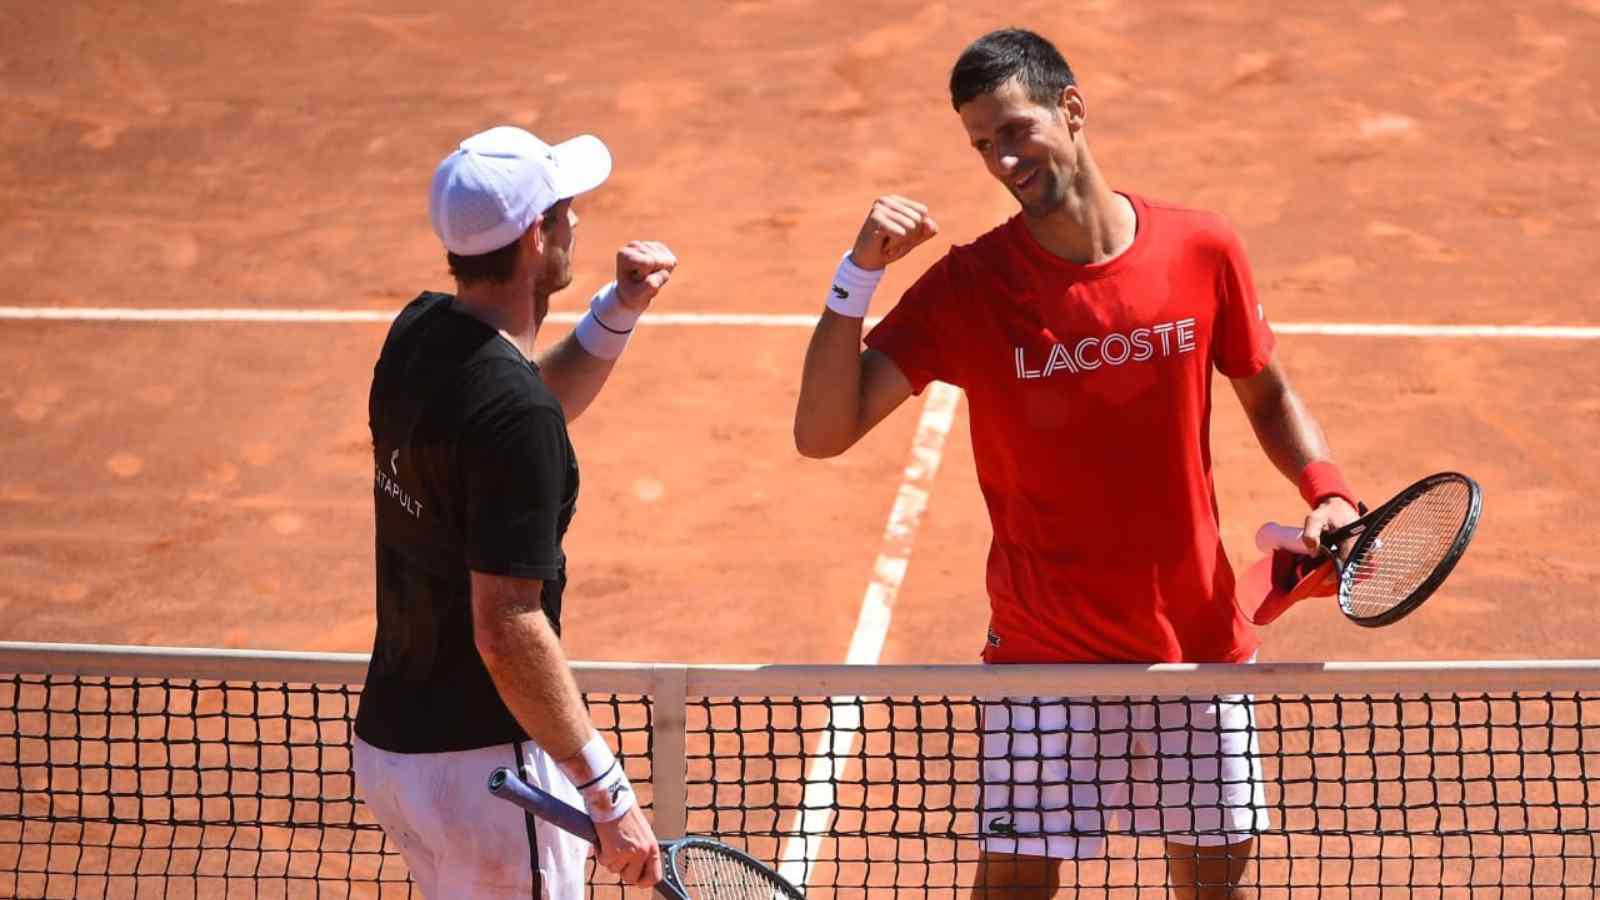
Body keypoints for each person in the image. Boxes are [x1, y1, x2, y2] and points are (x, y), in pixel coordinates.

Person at [793, 29, 1361, 900]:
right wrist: (854, 279)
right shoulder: (969, 288)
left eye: (1016, 130)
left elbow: (1268, 392)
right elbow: (824, 431)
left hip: (1196, 643)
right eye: (983, 145)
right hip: (1042, 654)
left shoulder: (1201, 248)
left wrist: (1326, 491)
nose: (1004, 160)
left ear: (1072, 108)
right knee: (1015, 890)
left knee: (1216, 887)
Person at [352, 124, 676, 898]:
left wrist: (616, 310)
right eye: (566, 210)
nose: (577, 222)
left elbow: (521, 410)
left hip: (396, 751)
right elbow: (506, 626)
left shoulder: (419, 333)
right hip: (489, 777)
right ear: (538, 234)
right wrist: (606, 791)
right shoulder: (514, 413)